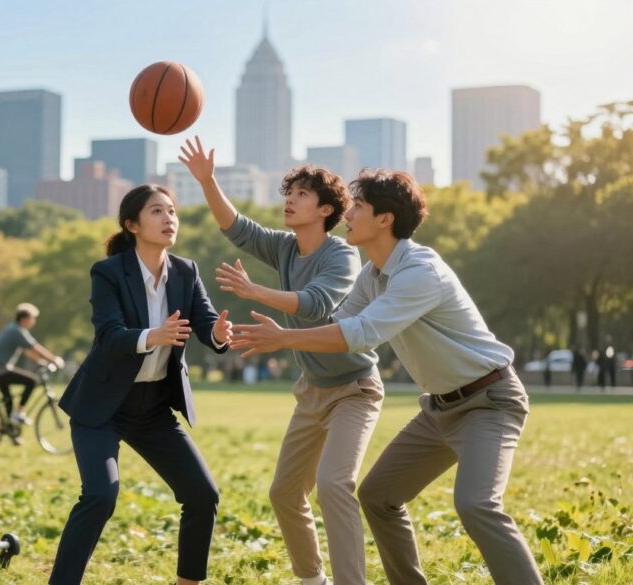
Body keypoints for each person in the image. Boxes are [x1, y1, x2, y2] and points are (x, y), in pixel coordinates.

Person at [229, 169, 543, 584]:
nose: (348, 214)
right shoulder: (371, 275)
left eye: (358, 207)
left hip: (489, 401)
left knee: (476, 504)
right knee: (379, 496)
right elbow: (338, 321)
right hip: (439, 410)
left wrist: (284, 337)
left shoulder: (419, 272)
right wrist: (257, 333)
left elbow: (361, 335)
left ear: (385, 220)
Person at [180, 137, 382, 585]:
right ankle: (313, 580)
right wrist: (208, 181)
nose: (290, 201)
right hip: (312, 392)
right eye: (288, 194)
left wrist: (255, 292)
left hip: (354, 390)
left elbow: (315, 304)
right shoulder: (286, 248)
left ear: (327, 209)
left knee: (333, 484)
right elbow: (237, 228)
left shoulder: (342, 255)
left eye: (302, 195)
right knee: (285, 494)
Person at [50, 184, 232, 585]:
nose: (169, 219)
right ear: (132, 224)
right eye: (157, 212)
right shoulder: (109, 272)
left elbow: (205, 326)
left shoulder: (186, 271)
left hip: (152, 408)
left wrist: (219, 333)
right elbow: (110, 335)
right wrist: (153, 336)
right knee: (100, 496)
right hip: (101, 407)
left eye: (172, 211)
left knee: (203, 495)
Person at [0, 303, 64, 432]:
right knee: (32, 381)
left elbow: (28, 351)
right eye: (33, 318)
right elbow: (35, 347)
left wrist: (42, 362)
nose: (34, 321)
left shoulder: (14, 329)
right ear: (25, 318)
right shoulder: (17, 331)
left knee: (8, 401)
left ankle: (12, 430)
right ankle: (19, 413)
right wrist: (54, 360)